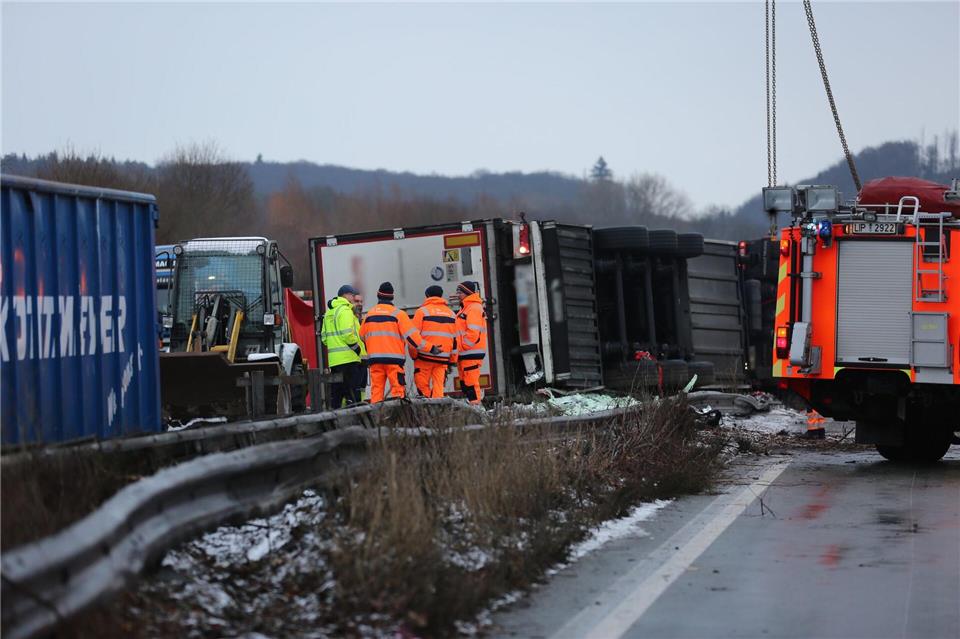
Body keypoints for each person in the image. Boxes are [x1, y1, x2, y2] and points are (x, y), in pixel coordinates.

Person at [360, 282, 438, 402]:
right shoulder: (399, 315)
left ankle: (378, 418)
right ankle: (399, 418)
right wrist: (431, 348)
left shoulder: (369, 315)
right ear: (392, 297)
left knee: (376, 392)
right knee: (398, 392)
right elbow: (414, 338)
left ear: (378, 296)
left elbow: (362, 336)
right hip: (393, 361)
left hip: (375, 360)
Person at [320, 284, 366, 408]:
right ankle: (355, 421)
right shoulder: (345, 310)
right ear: (346, 295)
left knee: (337, 394)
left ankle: (334, 419)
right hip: (349, 359)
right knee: (352, 393)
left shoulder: (329, 313)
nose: (353, 297)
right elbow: (347, 334)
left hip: (334, 361)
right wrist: (357, 348)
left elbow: (324, 338)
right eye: (352, 295)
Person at [410, 285, 458, 398]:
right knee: (439, 388)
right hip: (442, 359)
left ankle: (429, 408)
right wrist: (452, 360)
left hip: (424, 357)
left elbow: (413, 338)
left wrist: (414, 355)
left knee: (422, 386)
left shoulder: (422, 312)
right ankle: (438, 411)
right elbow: (455, 340)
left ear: (427, 296)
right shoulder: (451, 314)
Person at [455, 281, 488, 405]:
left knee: (471, 384)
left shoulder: (473, 308)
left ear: (467, 292)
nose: (457, 294)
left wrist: (463, 346)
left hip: (470, 352)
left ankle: (477, 410)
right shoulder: (467, 307)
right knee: (466, 385)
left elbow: (473, 332)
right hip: (466, 353)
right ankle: (474, 407)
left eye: (460, 292)